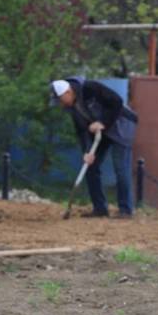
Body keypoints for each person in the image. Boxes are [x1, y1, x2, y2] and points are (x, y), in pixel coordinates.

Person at [51, 77, 138, 218]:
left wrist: (103, 122)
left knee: (121, 168)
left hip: (121, 127)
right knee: (90, 166)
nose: (60, 104)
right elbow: (81, 131)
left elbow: (117, 102)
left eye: (60, 99)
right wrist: (87, 151)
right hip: (100, 134)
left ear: (68, 92)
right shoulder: (71, 108)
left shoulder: (90, 88)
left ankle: (125, 210)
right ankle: (100, 208)